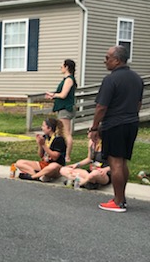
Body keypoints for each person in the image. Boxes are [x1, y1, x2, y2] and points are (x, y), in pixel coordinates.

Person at [89, 45, 144, 212]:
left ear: (117, 60)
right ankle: (122, 197)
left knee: (115, 162)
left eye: (107, 58)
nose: (104, 61)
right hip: (132, 123)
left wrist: (94, 127)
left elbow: (101, 107)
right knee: (122, 161)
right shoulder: (137, 78)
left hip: (115, 124)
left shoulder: (111, 79)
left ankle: (117, 201)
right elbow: (139, 103)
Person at [16, 117, 67, 182]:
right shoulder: (45, 137)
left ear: (49, 128)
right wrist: (40, 144)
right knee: (19, 162)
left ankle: (33, 176)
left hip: (56, 166)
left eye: (43, 126)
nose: (42, 128)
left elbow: (54, 157)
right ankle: (37, 175)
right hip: (44, 163)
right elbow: (40, 155)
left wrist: (43, 145)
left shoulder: (59, 139)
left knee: (53, 166)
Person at [45, 59, 77, 163]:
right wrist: (53, 96)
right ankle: (64, 153)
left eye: (62, 66)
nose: (60, 67)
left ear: (67, 67)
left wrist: (53, 95)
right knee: (63, 132)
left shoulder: (69, 80)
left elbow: (63, 95)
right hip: (62, 108)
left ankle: (67, 156)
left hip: (65, 109)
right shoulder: (66, 79)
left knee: (66, 133)